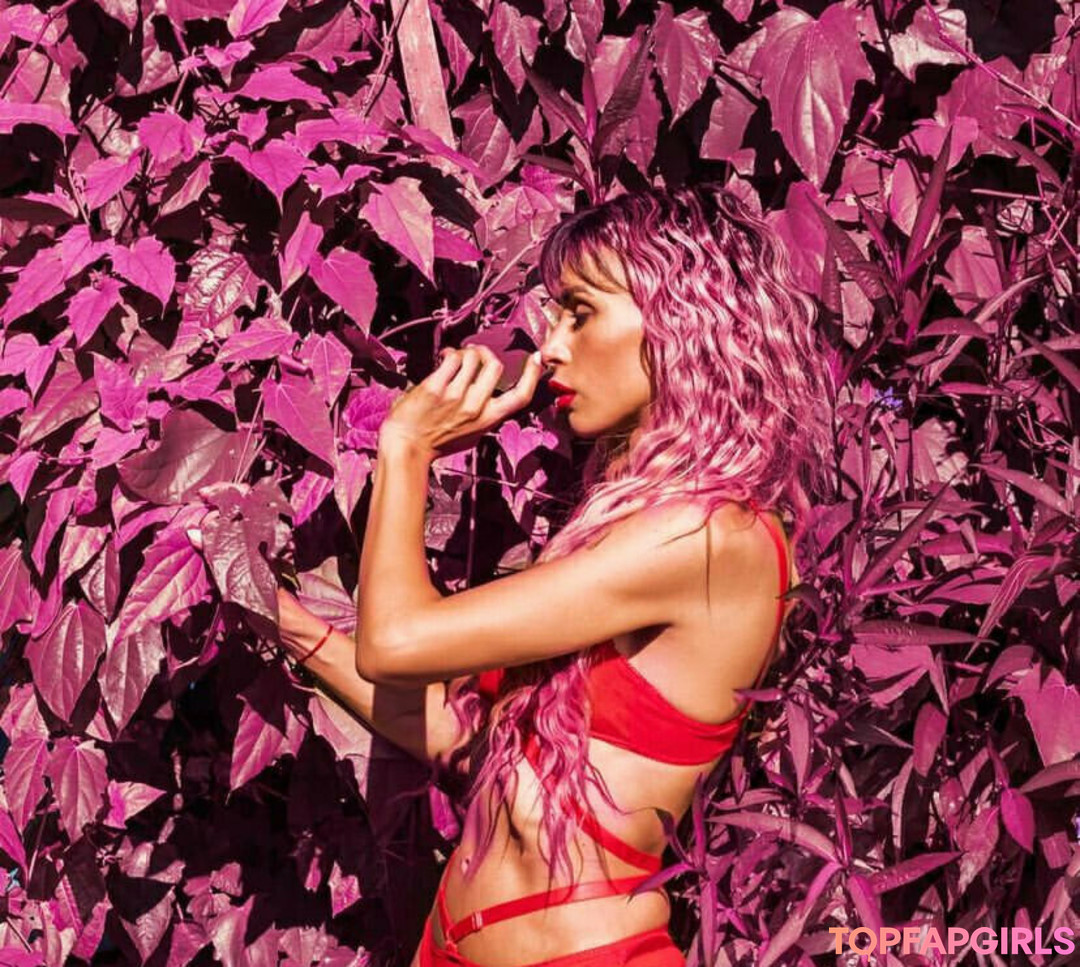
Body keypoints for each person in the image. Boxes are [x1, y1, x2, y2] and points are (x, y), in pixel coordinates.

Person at [274, 182, 834, 967]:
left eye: (580, 312)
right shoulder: (631, 521)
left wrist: (405, 447)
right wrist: (273, 616)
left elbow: (394, 641)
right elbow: (475, 745)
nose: (550, 349)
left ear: (681, 320)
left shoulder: (713, 537)